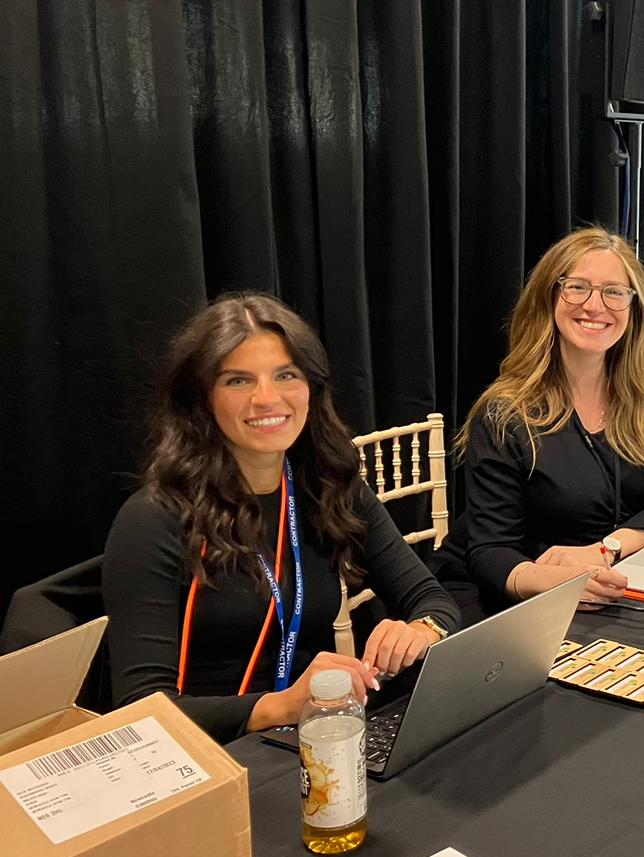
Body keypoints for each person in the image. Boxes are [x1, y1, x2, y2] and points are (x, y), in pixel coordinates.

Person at [103, 294, 460, 745]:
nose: (267, 398)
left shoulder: (328, 486)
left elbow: (432, 598)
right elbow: (139, 712)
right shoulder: (153, 518)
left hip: (305, 738)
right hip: (205, 755)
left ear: (311, 388)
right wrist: (280, 705)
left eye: (286, 375)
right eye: (238, 380)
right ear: (202, 399)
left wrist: (421, 630)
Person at [452, 226, 644, 612]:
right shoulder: (503, 415)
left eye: (614, 292)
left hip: (623, 579)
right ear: (548, 298)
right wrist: (561, 584)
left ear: (633, 308)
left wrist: (608, 548)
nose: (595, 306)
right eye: (577, 287)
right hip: (537, 603)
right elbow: (490, 552)